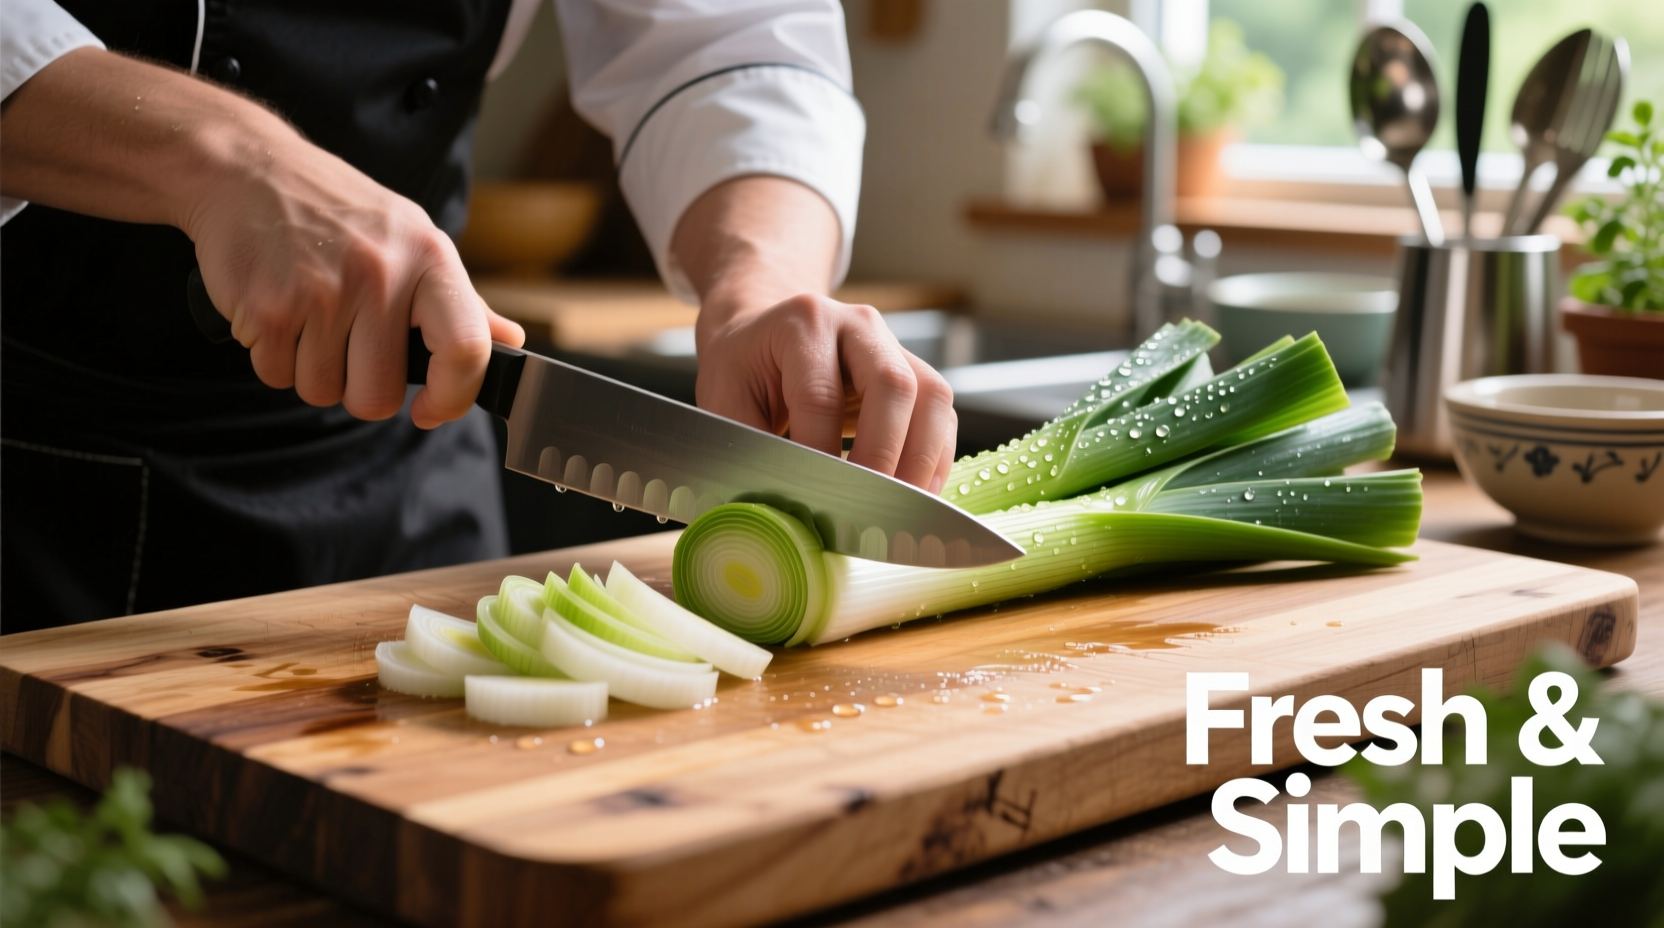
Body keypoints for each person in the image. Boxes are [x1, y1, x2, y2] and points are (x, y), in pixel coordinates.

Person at [0, 0, 956, 633]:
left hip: (405, 447)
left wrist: (757, 279)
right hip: (30, 471)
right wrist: (222, 156)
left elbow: (729, 37)